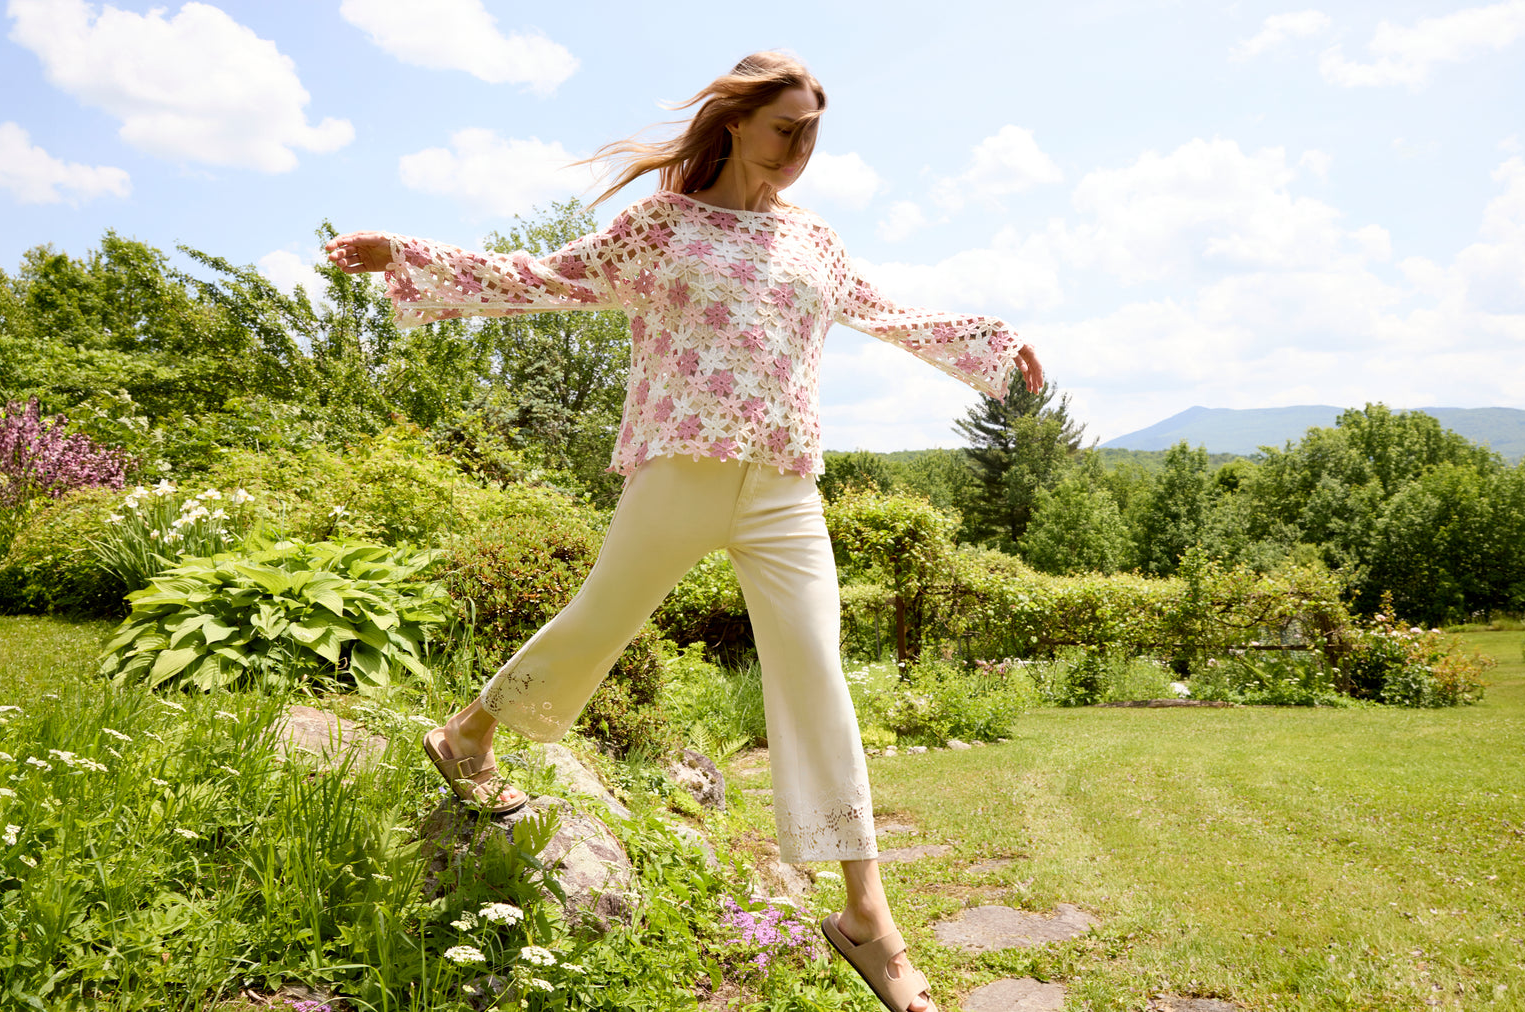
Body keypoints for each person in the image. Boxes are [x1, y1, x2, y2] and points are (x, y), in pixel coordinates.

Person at [326, 50, 1042, 1012]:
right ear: (735, 122)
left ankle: (867, 916)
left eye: (812, 133)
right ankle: (467, 736)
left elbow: (887, 312)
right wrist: (405, 256)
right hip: (680, 467)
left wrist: (993, 340)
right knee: (599, 623)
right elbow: (543, 276)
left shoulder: (815, 242)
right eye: (785, 128)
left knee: (818, 675)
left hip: (785, 486)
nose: (799, 148)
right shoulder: (662, 227)